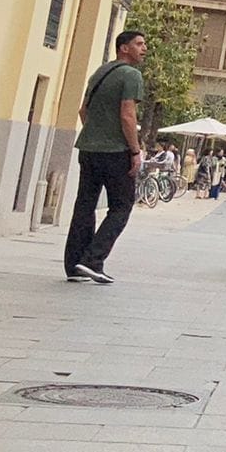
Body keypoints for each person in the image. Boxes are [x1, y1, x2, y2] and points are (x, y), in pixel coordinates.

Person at [64, 29, 149, 284]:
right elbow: (127, 115)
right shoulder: (131, 75)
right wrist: (134, 150)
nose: (144, 48)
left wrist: (95, 132)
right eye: (139, 44)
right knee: (122, 205)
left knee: (84, 205)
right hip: (115, 152)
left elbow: (83, 110)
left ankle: (74, 266)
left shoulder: (100, 72)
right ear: (124, 48)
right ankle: (92, 260)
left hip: (89, 149)